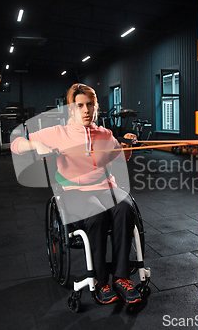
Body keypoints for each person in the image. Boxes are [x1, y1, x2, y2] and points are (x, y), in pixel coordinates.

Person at [10, 83, 141, 305]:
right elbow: (15, 143)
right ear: (71, 110)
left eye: (90, 105)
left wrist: (127, 144)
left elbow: (121, 157)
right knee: (97, 215)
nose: (86, 110)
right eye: (80, 105)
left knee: (125, 207)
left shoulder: (105, 134)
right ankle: (101, 283)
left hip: (106, 187)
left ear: (96, 107)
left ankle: (121, 277)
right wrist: (36, 145)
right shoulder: (58, 133)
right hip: (75, 191)